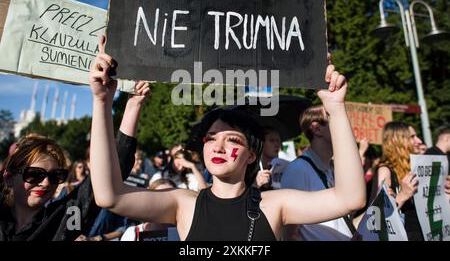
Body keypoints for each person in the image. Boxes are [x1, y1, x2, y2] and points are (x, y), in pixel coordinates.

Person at [88, 35, 366, 241]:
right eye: (210, 138)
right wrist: (101, 102)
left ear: (252, 155)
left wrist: (336, 108)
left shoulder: (276, 204)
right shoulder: (184, 204)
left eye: (232, 140)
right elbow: (108, 195)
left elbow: (350, 198)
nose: (218, 146)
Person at [0, 81, 149, 241]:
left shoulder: (65, 218)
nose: (46, 183)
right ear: (8, 177)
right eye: (35, 174)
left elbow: (112, 171)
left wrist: (129, 103)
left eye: (56, 176)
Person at [280, 105, 357, 241]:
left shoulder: (332, 168)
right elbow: (290, 235)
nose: (346, 126)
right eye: (336, 120)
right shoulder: (298, 170)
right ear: (317, 129)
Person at [369, 121, 424, 241]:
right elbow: (375, 217)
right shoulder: (385, 171)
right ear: (395, 141)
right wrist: (402, 196)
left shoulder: (413, 167)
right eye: (412, 137)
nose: (419, 141)